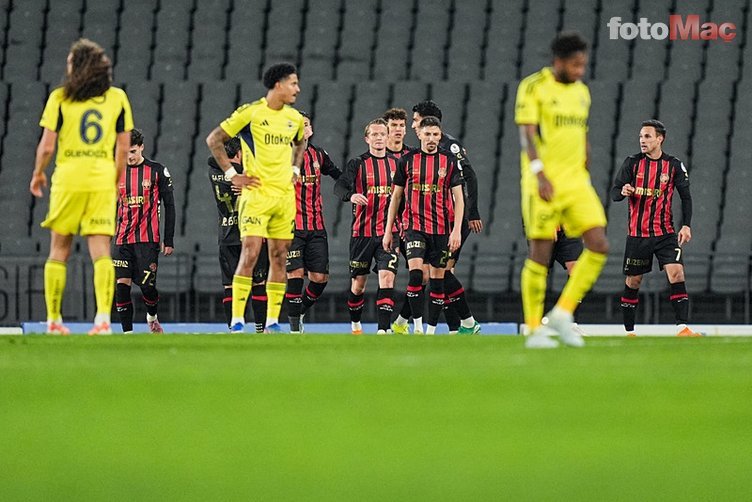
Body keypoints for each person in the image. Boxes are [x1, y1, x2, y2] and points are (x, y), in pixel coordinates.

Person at [30, 38, 133, 335]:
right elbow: (123, 146)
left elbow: (47, 146)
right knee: (101, 249)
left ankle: (53, 320)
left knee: (59, 248)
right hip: (101, 177)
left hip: (68, 178)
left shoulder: (60, 97)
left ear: (77, 67)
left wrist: (38, 173)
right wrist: (115, 179)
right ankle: (103, 320)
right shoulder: (117, 98)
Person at [515, 31, 609, 349]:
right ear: (559, 62)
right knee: (540, 254)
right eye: (575, 65)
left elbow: (581, 134)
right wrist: (539, 174)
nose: (580, 71)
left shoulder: (582, 92)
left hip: (576, 182)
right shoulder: (533, 87)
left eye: (583, 65)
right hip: (543, 182)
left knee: (598, 244)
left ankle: (562, 313)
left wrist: (586, 167)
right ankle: (533, 329)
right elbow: (527, 135)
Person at [205, 62, 306, 333]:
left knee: (279, 256)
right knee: (250, 252)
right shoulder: (251, 113)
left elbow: (301, 142)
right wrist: (231, 175)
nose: (297, 89)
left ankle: (273, 321)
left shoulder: (294, 118)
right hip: (256, 196)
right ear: (278, 85)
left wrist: (295, 169)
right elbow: (214, 139)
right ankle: (238, 319)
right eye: (293, 83)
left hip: (284, 197)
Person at [391, 100, 481, 335]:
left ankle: (462, 324)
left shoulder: (449, 148)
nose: (412, 126)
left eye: (415, 120)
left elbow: (469, 176)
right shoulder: (414, 156)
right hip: (421, 222)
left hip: (449, 220)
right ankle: (411, 322)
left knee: (441, 273)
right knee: (424, 274)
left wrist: (471, 214)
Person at [610, 119, 700, 337]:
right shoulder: (632, 163)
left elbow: (686, 197)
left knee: (677, 273)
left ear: (660, 139)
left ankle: (682, 327)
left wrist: (686, 225)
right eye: (641, 136)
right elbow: (614, 193)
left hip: (665, 233)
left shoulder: (674, 165)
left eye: (647, 136)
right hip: (638, 235)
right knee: (634, 281)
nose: (642, 140)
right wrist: (623, 191)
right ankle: (629, 332)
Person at [334, 118, 400, 335]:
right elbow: (339, 186)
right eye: (374, 134)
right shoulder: (357, 164)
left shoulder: (397, 164)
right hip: (361, 233)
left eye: (382, 134)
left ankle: (383, 330)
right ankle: (355, 325)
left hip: (388, 233)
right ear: (367, 139)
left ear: (388, 137)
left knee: (387, 278)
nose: (379, 138)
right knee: (358, 285)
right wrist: (351, 195)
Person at [113, 129, 175, 334]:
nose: (129, 157)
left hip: (147, 240)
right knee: (122, 285)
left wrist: (168, 239)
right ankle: (127, 334)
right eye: (125, 152)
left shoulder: (157, 171)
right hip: (122, 239)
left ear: (141, 147)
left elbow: (169, 205)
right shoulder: (116, 171)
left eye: (132, 151)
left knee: (148, 288)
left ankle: (152, 316)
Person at [285, 111, 341, 333]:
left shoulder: (319, 155)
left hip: (316, 227)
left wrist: (353, 189)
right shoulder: (281, 155)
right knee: (295, 274)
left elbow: (338, 175)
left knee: (320, 279)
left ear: (310, 129)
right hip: (291, 227)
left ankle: (299, 312)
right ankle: (293, 330)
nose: (303, 128)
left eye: (306, 124)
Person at [208, 137, 269, 332]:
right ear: (240, 154)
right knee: (258, 282)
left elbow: (212, 160)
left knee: (229, 285)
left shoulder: (214, 171)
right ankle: (261, 328)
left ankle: (233, 328)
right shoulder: (248, 175)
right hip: (251, 232)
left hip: (226, 234)